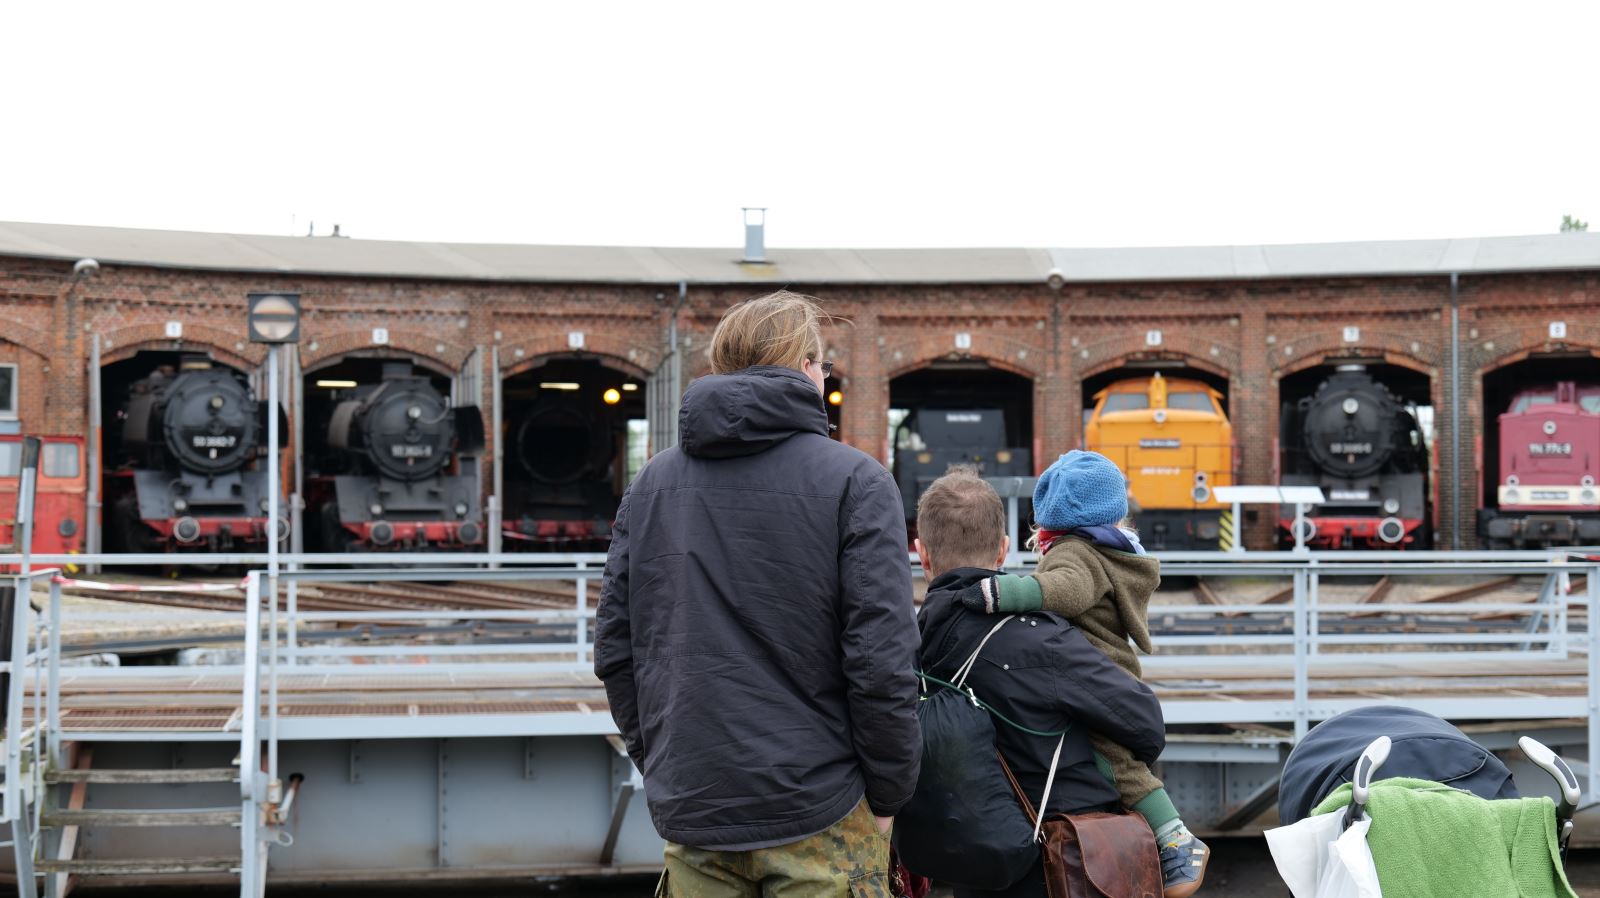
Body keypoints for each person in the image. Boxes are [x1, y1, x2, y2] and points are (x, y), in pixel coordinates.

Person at [594, 290, 920, 898]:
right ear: (806, 367)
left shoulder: (652, 484)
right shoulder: (857, 481)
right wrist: (888, 794)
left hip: (696, 809)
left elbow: (616, 649)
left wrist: (664, 763)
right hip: (821, 811)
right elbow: (881, 663)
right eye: (823, 365)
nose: (825, 376)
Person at [954, 450, 1209, 897]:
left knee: (1114, 761)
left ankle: (1176, 838)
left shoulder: (1076, 553)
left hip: (1097, 671)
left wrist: (1001, 593)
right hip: (1099, 670)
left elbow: (1065, 591)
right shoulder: (1104, 548)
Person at [913, 468, 1168, 898]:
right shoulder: (1042, 639)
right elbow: (1144, 723)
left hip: (977, 870)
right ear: (1003, 550)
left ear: (921, 554)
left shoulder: (907, 645)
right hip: (1066, 865)